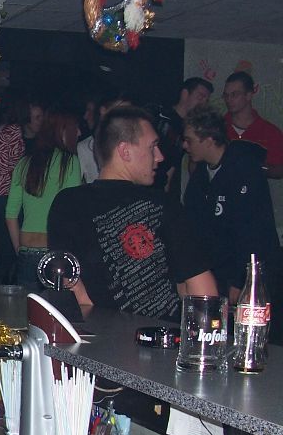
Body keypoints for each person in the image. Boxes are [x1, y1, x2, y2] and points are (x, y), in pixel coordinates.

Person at [48, 106, 217, 320]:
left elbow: (71, 288)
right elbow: (203, 293)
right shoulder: (162, 204)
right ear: (125, 151)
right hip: (160, 337)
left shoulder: (67, 203)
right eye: (152, 147)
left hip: (98, 336)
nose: (160, 156)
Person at [182, 106, 279, 303]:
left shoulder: (245, 170)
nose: (185, 145)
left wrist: (240, 281)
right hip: (215, 272)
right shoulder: (200, 176)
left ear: (209, 140)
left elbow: (253, 233)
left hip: (247, 274)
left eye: (189, 140)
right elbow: (193, 225)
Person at [5, 109, 82, 289]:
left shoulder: (24, 163)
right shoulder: (70, 163)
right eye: (75, 128)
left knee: (27, 305)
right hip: (56, 253)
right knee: (53, 306)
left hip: (27, 250)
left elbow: (10, 214)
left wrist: (19, 249)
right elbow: (73, 211)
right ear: (63, 131)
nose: (79, 133)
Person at [0, 96, 44, 284]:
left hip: (0, 196)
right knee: (9, 253)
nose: (41, 121)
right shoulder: (11, 133)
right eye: (37, 117)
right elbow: (16, 170)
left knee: (8, 252)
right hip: (7, 197)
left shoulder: (5, 131)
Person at [156, 77, 213, 195]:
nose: (203, 103)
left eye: (207, 100)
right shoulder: (159, 115)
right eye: (200, 97)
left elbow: (171, 167)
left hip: (157, 188)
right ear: (185, 94)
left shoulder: (190, 130)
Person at [223, 71, 283, 179]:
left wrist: (257, 167)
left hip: (255, 189)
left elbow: (279, 169)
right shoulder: (216, 127)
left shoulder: (270, 132)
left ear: (249, 95)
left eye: (234, 94)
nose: (229, 100)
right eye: (226, 95)